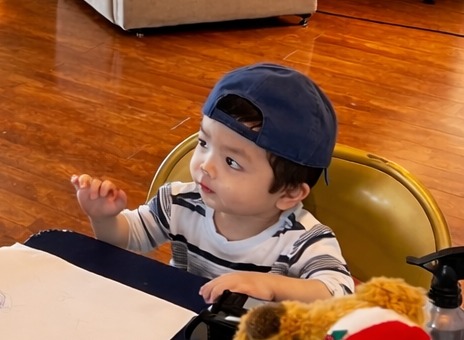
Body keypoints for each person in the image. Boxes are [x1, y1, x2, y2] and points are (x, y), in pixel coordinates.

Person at [71, 63, 352, 304]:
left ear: (289, 193)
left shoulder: (303, 240)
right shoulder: (178, 203)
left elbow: (339, 293)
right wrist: (104, 218)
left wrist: (270, 286)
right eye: (204, 143)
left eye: (232, 162)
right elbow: (128, 238)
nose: (206, 165)